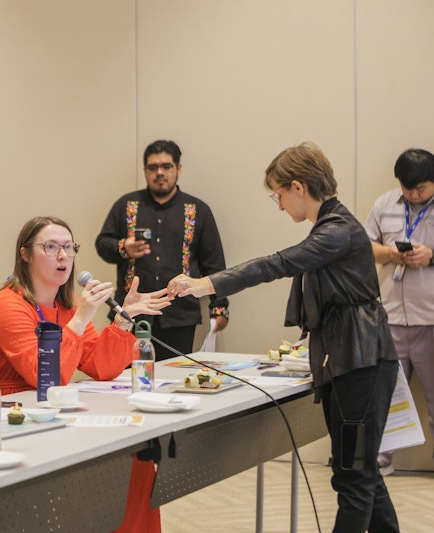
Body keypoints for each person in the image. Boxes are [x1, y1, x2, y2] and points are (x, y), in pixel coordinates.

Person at [167, 142, 400, 532]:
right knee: (361, 475)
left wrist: (207, 283)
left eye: (277, 194)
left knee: (353, 478)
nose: (278, 205)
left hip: (361, 364)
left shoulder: (337, 229)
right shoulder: (331, 226)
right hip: (352, 360)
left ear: (297, 186)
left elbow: (277, 264)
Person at [0, 215, 171, 533]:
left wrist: (124, 318)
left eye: (68, 247)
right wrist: (82, 317)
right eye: (51, 247)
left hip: (57, 415)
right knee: (114, 463)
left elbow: (101, 367)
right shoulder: (8, 305)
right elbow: (46, 379)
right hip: (17, 420)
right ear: (25, 254)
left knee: (135, 460)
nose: (63, 255)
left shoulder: (65, 305)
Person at [363, 148, 434, 485]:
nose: (414, 195)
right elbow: (363, 246)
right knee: (384, 393)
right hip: (391, 317)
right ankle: (379, 460)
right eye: (408, 189)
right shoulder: (384, 205)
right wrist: (390, 253)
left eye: (421, 189)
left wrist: (432, 256)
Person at [95, 140, 229, 360]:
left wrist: (219, 308)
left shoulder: (197, 210)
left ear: (178, 168)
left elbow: (214, 264)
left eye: (166, 166)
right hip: (131, 313)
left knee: (173, 381)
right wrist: (124, 248)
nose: (160, 172)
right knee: (129, 380)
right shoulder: (127, 205)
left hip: (180, 314)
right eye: (153, 167)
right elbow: (102, 245)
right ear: (145, 170)